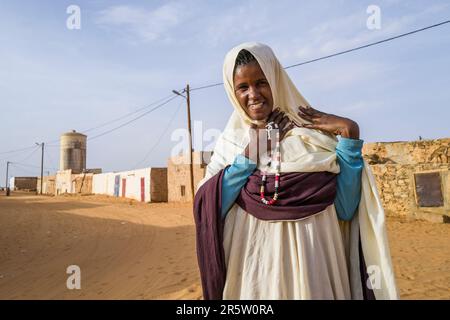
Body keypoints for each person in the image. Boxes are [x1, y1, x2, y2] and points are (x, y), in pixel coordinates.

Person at [193, 42, 398, 300]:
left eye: (261, 82)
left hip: (317, 275)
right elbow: (209, 207)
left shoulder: (312, 137)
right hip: (256, 277)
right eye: (243, 87)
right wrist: (252, 153)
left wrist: (349, 135)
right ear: (232, 93)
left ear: (276, 79)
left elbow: (345, 208)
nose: (253, 94)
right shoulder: (231, 143)